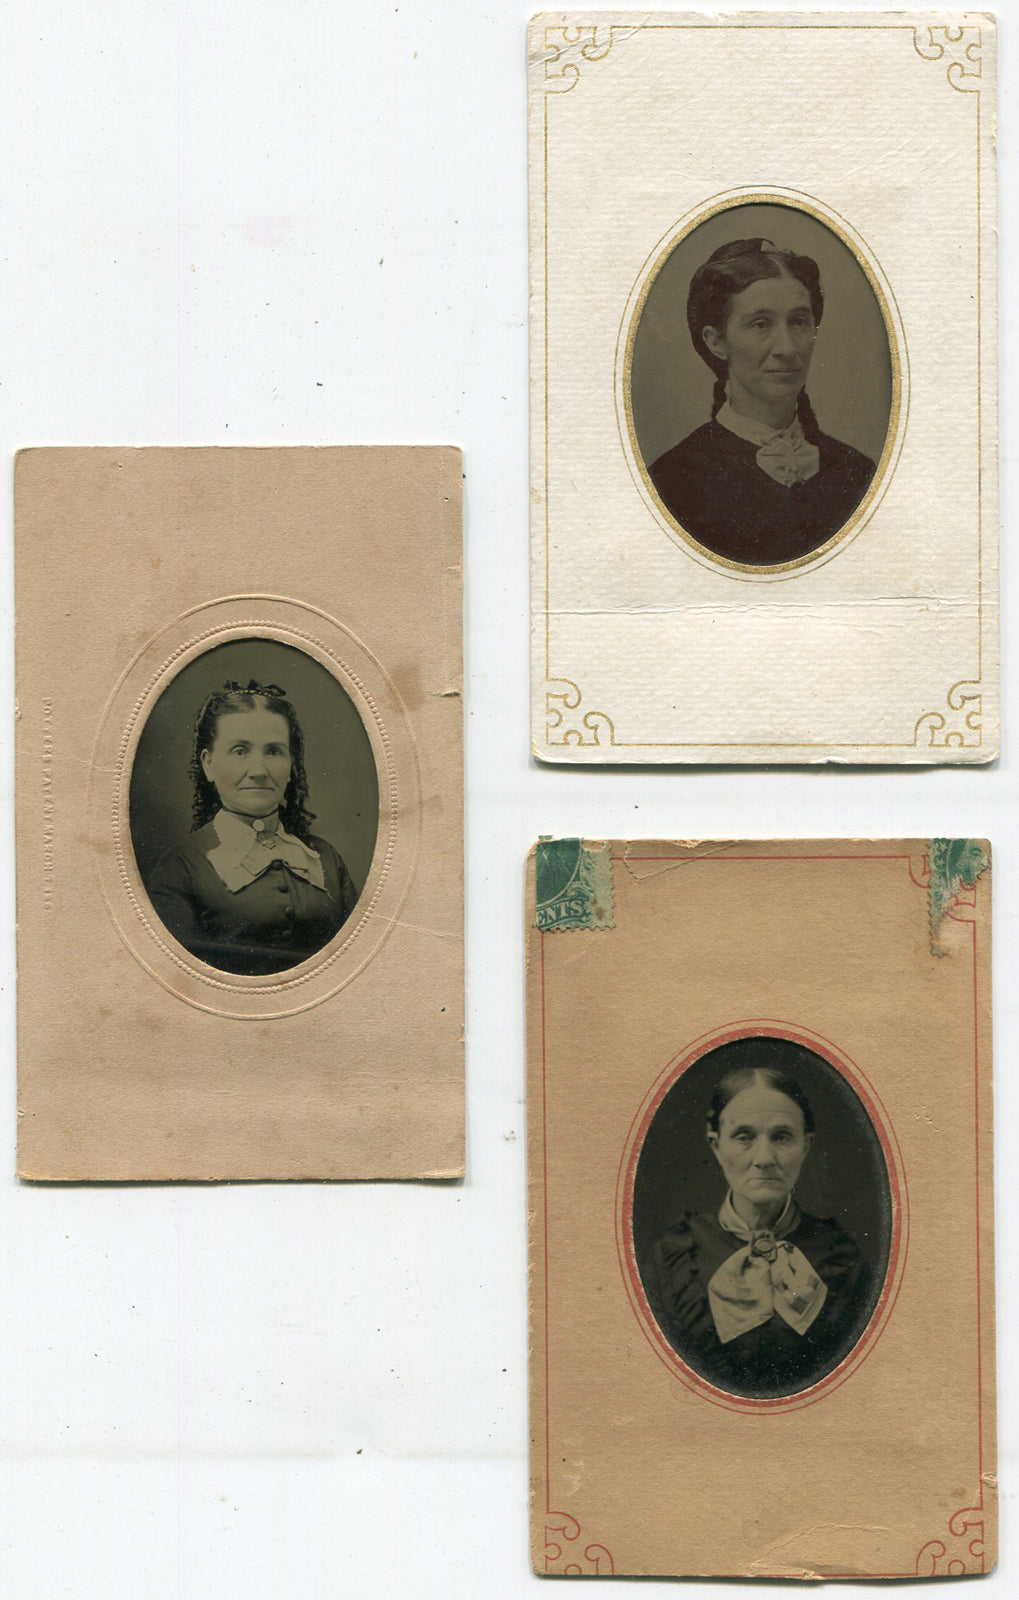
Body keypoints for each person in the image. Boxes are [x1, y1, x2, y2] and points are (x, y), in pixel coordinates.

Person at [642, 1063, 870, 1399]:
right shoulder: (673, 1258)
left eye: (781, 1137)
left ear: (805, 1146)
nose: (764, 1158)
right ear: (716, 1145)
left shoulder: (841, 1260)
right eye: (744, 1137)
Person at [648, 237, 877, 566]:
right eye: (760, 324)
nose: (786, 348)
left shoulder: (856, 471)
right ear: (716, 342)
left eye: (798, 322)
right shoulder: (673, 481)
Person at [144, 680, 358, 975]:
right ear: (208, 764)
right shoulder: (180, 870)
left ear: (291, 764)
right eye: (240, 750)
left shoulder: (325, 860)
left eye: (273, 751)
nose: (259, 771)